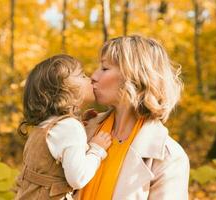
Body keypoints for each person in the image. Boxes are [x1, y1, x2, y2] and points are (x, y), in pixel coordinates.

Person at [81, 35, 190, 200]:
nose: (94, 76)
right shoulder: (82, 129)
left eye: (104, 68)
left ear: (134, 77)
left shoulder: (170, 157)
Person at [15, 54, 111, 200]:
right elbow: (78, 178)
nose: (90, 78)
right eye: (82, 75)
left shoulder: (44, 126)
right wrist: (96, 150)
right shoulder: (70, 128)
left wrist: (80, 123)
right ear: (63, 90)